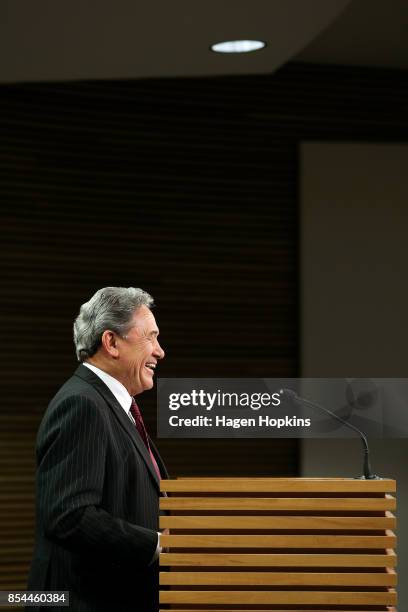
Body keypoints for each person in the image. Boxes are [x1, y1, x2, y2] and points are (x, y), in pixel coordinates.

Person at [27, 287, 168, 612]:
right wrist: (158, 544)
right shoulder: (82, 404)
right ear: (111, 342)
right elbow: (68, 515)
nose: (159, 351)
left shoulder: (111, 405)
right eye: (151, 337)